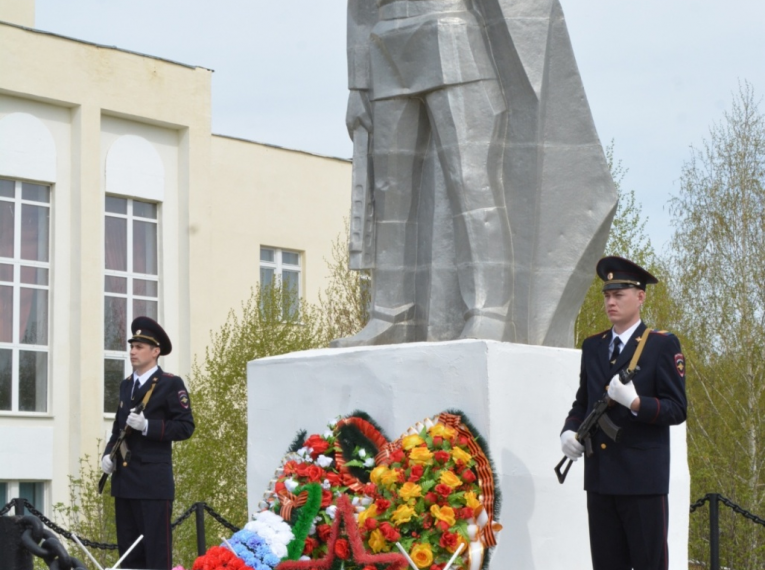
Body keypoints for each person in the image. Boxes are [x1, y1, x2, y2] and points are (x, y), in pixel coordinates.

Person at [334, 0, 514, 346]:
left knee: (470, 181)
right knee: (389, 190)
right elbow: (358, 9)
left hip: (448, 26)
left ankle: (488, 311)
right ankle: (389, 313)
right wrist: (357, 86)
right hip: (385, 39)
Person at [560, 256, 687, 569]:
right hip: (601, 477)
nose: (611, 302)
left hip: (642, 479)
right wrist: (569, 430)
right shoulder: (593, 346)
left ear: (640, 297)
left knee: (648, 563)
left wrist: (636, 403)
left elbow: (677, 409)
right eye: (607, 296)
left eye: (619, 295)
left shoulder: (661, 345)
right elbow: (583, 401)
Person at [101, 317, 195, 570]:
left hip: (153, 482)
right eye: (132, 346)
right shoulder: (126, 385)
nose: (132, 351)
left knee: (156, 552)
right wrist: (108, 455)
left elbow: (186, 427)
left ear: (155, 352)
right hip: (125, 480)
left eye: (140, 346)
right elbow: (118, 428)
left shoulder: (170, 383)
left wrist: (149, 426)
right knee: (128, 553)